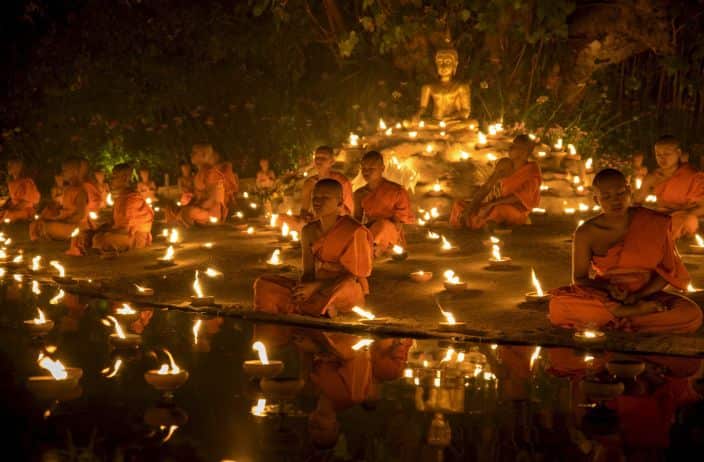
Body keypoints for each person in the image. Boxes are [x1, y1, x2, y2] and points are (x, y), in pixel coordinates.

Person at [549, 168, 702, 333]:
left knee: (691, 314)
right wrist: (608, 289)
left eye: (620, 193)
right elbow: (579, 279)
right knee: (558, 306)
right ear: (596, 199)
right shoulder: (586, 233)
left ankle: (614, 320)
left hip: (646, 295)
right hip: (606, 297)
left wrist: (637, 296)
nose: (615, 201)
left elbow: (667, 272)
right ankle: (628, 316)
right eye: (606, 196)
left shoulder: (654, 222)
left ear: (629, 191)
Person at [254, 179, 373, 318]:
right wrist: (303, 291)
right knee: (263, 283)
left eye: (325, 198)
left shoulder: (354, 230)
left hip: (342, 287)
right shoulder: (308, 231)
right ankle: (321, 308)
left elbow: (355, 276)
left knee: (347, 288)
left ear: (340, 202)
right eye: (315, 197)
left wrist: (317, 286)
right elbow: (308, 272)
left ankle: (320, 307)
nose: (317, 201)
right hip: (316, 288)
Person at [450, 135, 542, 229]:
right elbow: (487, 187)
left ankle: (477, 222)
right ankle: (479, 222)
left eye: (514, 147)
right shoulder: (504, 165)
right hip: (493, 205)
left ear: (524, 153)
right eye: (511, 145)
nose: (510, 148)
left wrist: (493, 204)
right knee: (459, 205)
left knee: (499, 211)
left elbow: (520, 197)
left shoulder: (531, 171)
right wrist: (469, 209)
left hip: (514, 210)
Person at [633, 135, 704, 239]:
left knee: (685, 220)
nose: (662, 158)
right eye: (658, 155)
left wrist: (673, 215)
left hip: (683, 217)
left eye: (667, 154)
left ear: (678, 153)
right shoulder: (654, 177)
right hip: (661, 216)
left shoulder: (693, 176)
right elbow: (636, 202)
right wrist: (645, 184)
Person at [353, 150, 415, 256]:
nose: (366, 172)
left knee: (382, 225)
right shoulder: (359, 193)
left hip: (390, 233)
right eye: (364, 168)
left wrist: (384, 234)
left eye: (371, 168)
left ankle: (371, 248)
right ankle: (368, 248)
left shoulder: (396, 191)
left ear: (382, 168)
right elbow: (357, 220)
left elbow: (398, 223)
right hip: (371, 230)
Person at [281, 146, 354, 232]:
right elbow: (304, 211)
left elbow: (349, 212)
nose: (319, 160)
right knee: (282, 218)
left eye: (323, 158)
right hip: (316, 224)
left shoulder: (342, 182)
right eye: (317, 157)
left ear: (332, 162)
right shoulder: (309, 183)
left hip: (338, 224)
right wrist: (306, 218)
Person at [92, 163, 154, 252]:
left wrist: (106, 232)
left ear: (125, 178)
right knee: (96, 235)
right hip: (124, 232)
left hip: (135, 237)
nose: (111, 181)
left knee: (100, 239)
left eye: (114, 177)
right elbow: (115, 222)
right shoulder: (122, 196)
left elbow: (125, 229)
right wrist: (102, 228)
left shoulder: (131, 198)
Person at [165, 144, 226, 226]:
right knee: (169, 207)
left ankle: (186, 223)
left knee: (188, 212)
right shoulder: (199, 173)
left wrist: (198, 205)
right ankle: (179, 223)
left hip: (209, 210)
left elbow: (215, 198)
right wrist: (189, 197)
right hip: (198, 206)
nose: (191, 154)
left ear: (203, 155)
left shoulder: (211, 173)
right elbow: (197, 193)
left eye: (194, 152)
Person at [30, 157, 88, 242]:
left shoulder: (80, 191)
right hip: (64, 222)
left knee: (47, 227)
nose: (62, 173)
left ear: (74, 172)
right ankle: (45, 233)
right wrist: (55, 211)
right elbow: (64, 208)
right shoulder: (68, 189)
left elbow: (81, 214)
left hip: (74, 226)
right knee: (35, 223)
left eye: (65, 170)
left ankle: (47, 233)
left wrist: (64, 220)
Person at [0, 157, 40, 222]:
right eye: (8, 165)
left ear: (18, 167)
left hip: (26, 210)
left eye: (11, 165)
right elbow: (12, 200)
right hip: (15, 209)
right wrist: (7, 207)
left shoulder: (27, 182)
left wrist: (12, 209)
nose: (8, 167)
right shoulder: (11, 183)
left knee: (8, 215)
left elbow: (27, 202)